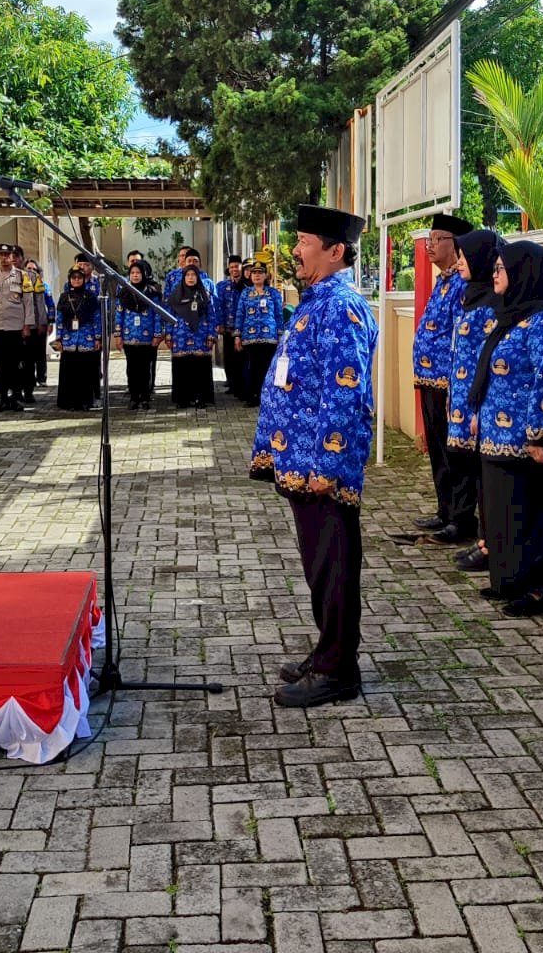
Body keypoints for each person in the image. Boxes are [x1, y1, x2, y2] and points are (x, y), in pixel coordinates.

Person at [251, 204, 377, 708]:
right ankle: (328, 650)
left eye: (305, 241)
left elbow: (345, 394)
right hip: (300, 458)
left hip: (321, 465)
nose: (296, 249)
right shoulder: (315, 301)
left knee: (335, 562)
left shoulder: (341, 307)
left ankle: (338, 670)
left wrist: (327, 465)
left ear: (335, 250)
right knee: (320, 564)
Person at [472, 241, 543, 617]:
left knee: (530, 514)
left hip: (524, 442)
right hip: (495, 436)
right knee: (502, 512)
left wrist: (537, 434)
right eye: (493, 267)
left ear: (525, 273)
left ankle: (539, 587)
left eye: (502, 268)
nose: (495, 274)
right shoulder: (509, 316)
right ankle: (509, 579)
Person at [411, 214, 473, 540]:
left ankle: (461, 519)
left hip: (449, 383)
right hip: (428, 379)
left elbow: (461, 338)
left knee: (455, 453)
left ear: (456, 244)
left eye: (438, 239)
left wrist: (455, 384)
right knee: (437, 450)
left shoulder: (463, 284)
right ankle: (444, 509)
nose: (430, 246)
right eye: (430, 240)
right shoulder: (444, 281)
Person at [440, 228, 500, 562]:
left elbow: (486, 358)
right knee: (463, 466)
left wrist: (475, 403)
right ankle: (475, 535)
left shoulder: (493, 302)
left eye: (464, 257)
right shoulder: (469, 295)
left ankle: (487, 540)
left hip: (479, 403)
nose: (460, 263)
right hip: (460, 397)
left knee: (482, 475)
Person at [0, 243, 34, 413]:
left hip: (16, 327)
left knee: (16, 364)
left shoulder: (22, 276)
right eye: (1, 254)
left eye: (8, 254)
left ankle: (16, 397)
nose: (5, 258)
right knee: (0, 364)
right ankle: (2, 397)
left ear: (13, 257)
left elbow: (28, 302)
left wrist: (27, 325)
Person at [165, 264, 217, 409]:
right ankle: (183, 399)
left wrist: (211, 334)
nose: (190, 278)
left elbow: (212, 315)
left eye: (193, 275)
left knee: (200, 369)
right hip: (180, 335)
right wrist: (168, 335)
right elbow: (169, 316)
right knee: (182, 368)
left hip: (200, 336)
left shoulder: (204, 294)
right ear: (183, 277)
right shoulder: (176, 294)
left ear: (198, 277)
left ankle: (201, 398)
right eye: (187, 275)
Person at [235, 260, 284, 405]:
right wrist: (237, 335)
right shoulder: (245, 293)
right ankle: (252, 396)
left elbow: (279, 315)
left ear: (265, 276)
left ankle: (267, 396)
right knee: (251, 367)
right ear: (250, 276)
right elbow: (240, 314)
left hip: (270, 337)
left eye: (260, 273)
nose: (257, 276)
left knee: (267, 366)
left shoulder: (273, 293)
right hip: (250, 337)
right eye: (254, 273)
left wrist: (280, 334)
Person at [54, 265, 103, 410]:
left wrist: (98, 338)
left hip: (86, 340)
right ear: (69, 279)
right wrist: (59, 339)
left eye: (79, 278)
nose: (76, 280)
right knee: (69, 373)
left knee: (85, 374)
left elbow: (96, 318)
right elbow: (59, 319)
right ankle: (69, 402)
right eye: (73, 277)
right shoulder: (64, 297)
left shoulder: (91, 297)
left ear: (84, 279)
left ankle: (86, 401)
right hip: (69, 340)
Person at [115, 261, 160, 410]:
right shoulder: (123, 293)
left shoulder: (152, 293)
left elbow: (157, 316)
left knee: (145, 369)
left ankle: (145, 397)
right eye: (132, 273)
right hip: (129, 337)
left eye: (138, 273)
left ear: (144, 274)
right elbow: (119, 315)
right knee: (132, 368)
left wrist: (157, 334)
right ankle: (134, 397)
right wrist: (118, 335)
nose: (135, 275)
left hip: (147, 338)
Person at [215, 254, 246, 394]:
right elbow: (218, 306)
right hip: (227, 327)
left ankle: (241, 384)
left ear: (241, 267)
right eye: (232, 267)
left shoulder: (246, 286)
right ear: (228, 269)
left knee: (241, 357)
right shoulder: (222, 286)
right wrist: (220, 324)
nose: (234, 269)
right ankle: (232, 383)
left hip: (244, 328)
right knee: (229, 357)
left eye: (237, 266)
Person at [22, 255, 51, 394]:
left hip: (41, 324)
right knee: (27, 356)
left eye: (34, 269)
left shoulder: (44, 286)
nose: (31, 271)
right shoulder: (21, 285)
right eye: (28, 269)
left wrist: (50, 322)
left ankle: (42, 377)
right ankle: (29, 380)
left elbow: (50, 305)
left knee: (40, 353)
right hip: (26, 326)